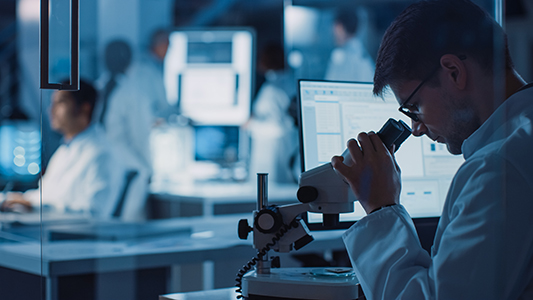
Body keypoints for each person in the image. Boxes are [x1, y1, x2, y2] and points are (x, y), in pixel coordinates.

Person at [332, 0, 533, 299]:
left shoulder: (497, 170)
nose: (416, 128)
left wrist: (381, 207)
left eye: (414, 108)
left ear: (453, 72)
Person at [1, 80, 125, 218]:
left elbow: (95, 212)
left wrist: (33, 206)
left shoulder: (101, 153)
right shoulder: (66, 149)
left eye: (61, 102)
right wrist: (16, 199)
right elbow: (47, 194)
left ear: (85, 108)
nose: (51, 110)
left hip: (75, 237)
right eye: (52, 103)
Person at [324, 7, 375, 82]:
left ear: (339, 27)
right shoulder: (364, 58)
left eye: (334, 28)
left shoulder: (344, 57)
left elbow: (327, 85)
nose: (332, 33)